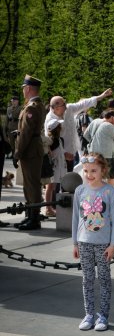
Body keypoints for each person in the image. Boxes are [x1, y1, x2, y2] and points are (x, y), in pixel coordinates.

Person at [72, 152, 114, 331]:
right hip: (84, 242)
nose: (89, 175)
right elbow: (76, 220)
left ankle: (103, 316)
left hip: (103, 244)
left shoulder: (109, 191)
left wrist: (113, 244)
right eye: (86, 171)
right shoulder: (80, 191)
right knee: (87, 279)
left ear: (103, 171)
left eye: (93, 170)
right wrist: (75, 243)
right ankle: (89, 314)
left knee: (105, 279)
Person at [44, 88, 112, 172]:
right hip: (58, 156)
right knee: (58, 181)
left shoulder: (68, 108)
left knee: (69, 178)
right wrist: (64, 153)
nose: (66, 106)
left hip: (71, 152)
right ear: (56, 108)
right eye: (63, 104)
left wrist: (101, 96)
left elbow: (83, 104)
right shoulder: (49, 120)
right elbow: (50, 141)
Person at [13, 75, 46, 230]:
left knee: (32, 185)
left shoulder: (32, 106)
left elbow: (26, 133)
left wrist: (17, 152)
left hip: (30, 150)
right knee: (29, 184)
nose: (23, 92)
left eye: (24, 89)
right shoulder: (36, 104)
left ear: (28, 89)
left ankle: (34, 218)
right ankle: (30, 215)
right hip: (33, 149)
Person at [84, 110, 114, 186]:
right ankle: (108, 194)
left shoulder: (95, 121)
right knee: (110, 176)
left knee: (96, 174)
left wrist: (94, 142)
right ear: (113, 118)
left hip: (94, 154)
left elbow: (85, 134)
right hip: (108, 155)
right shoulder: (109, 125)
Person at [44, 119, 67, 217]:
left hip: (60, 166)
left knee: (53, 188)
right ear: (57, 128)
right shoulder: (51, 140)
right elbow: (49, 154)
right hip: (53, 167)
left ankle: (51, 207)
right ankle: (48, 209)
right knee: (49, 188)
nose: (62, 127)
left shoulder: (60, 140)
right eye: (60, 126)